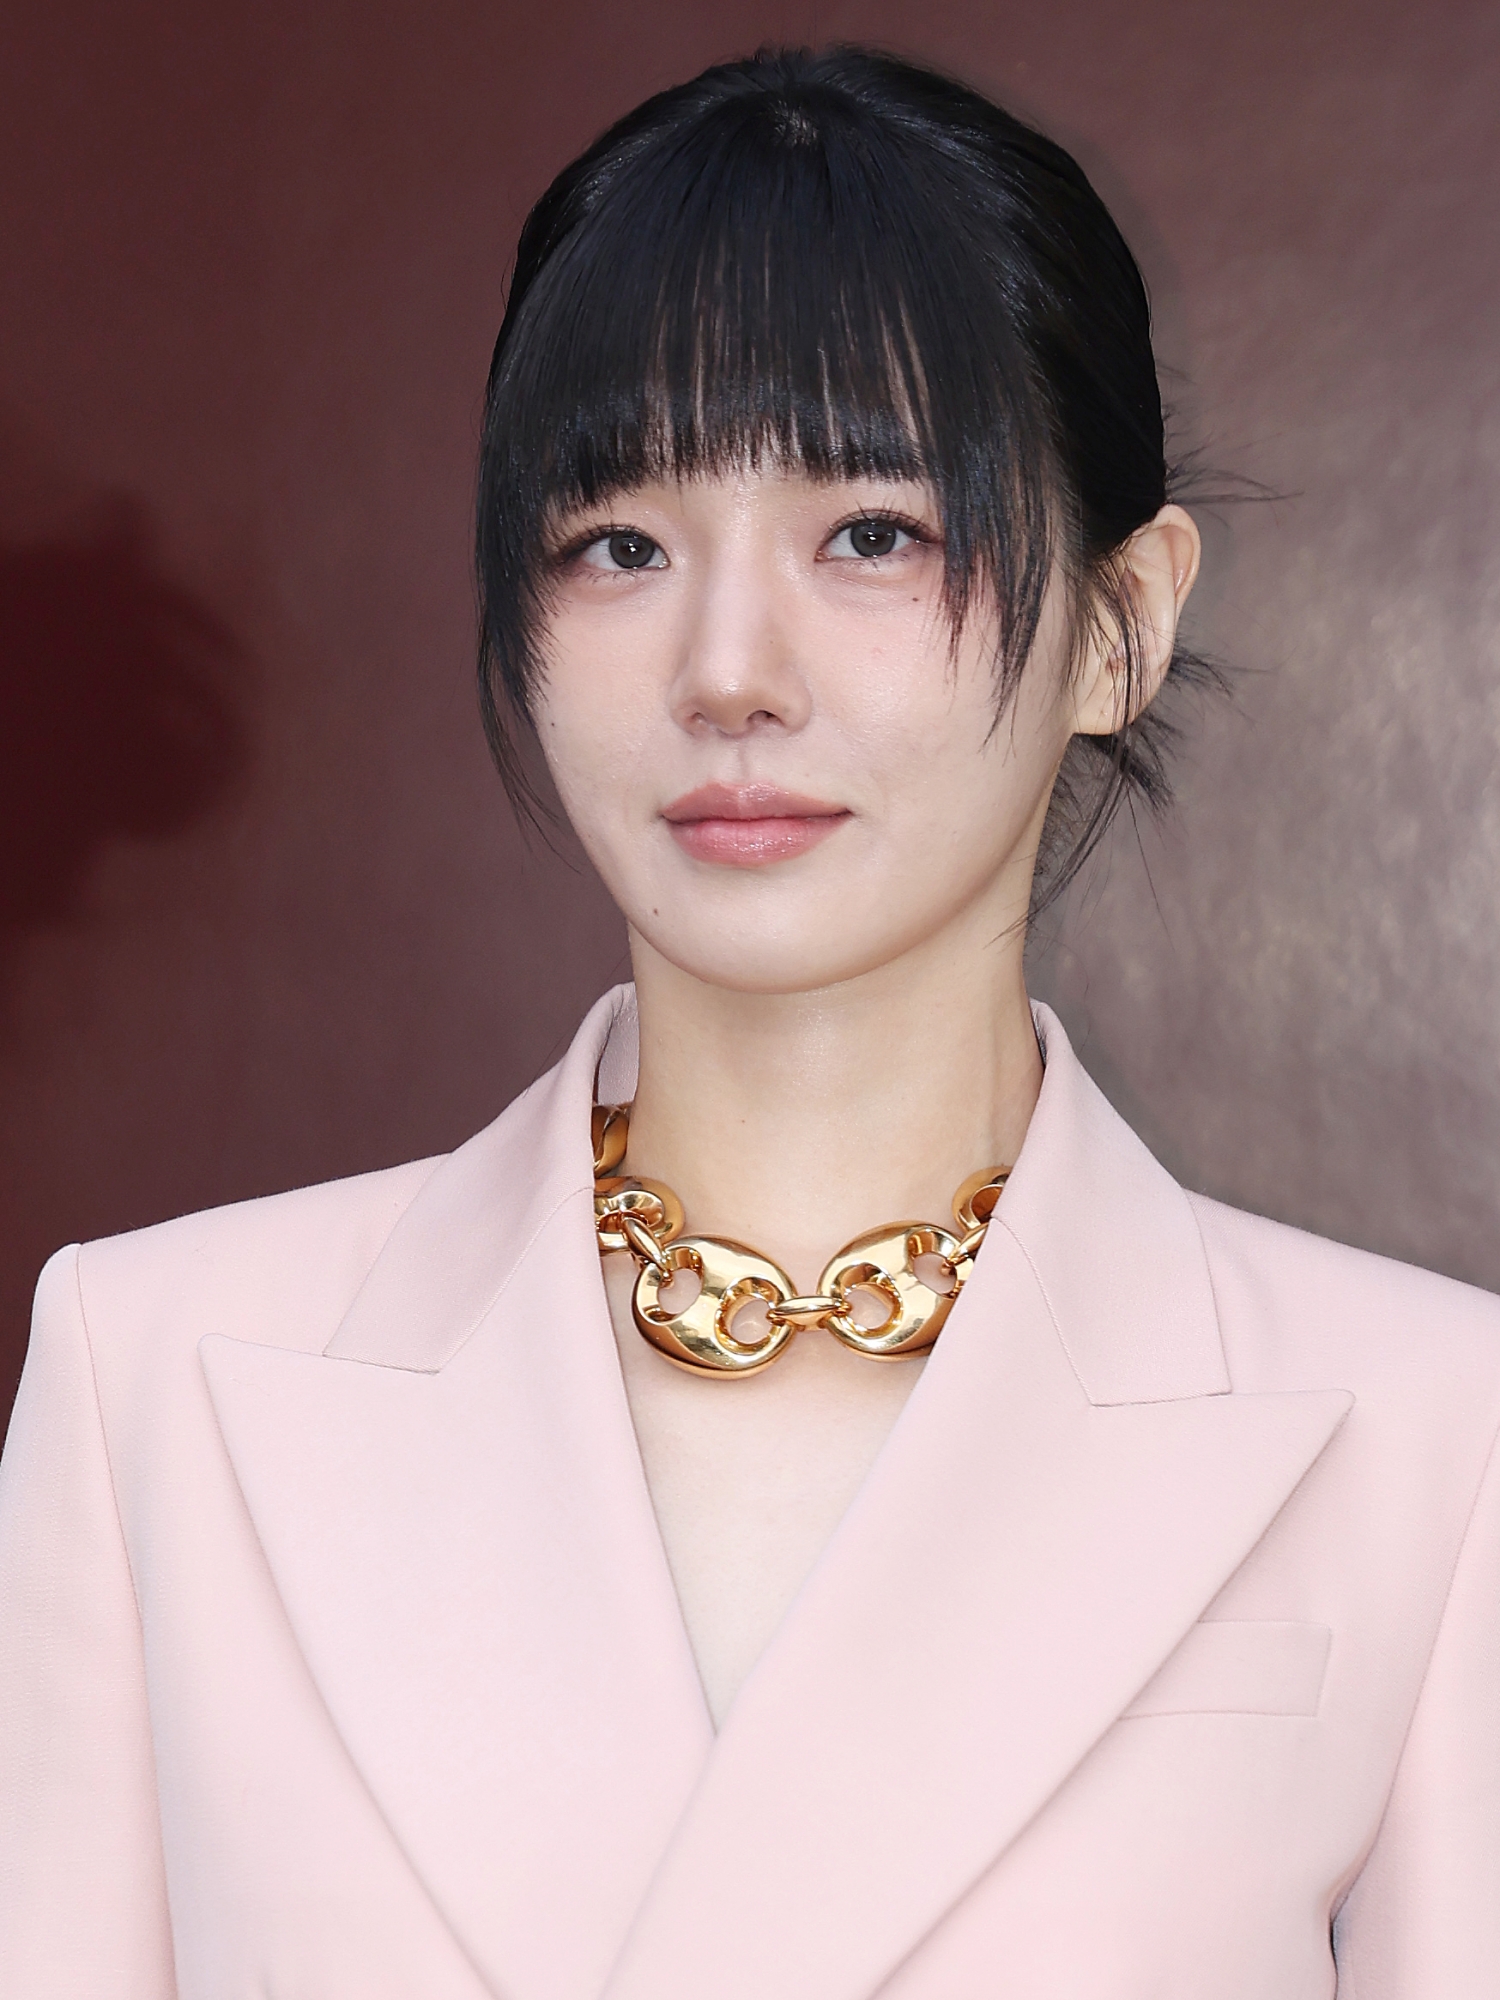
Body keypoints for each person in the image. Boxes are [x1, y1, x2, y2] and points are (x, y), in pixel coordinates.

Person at [1, 44, 1496, 2000]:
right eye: (619, 544)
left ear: (1122, 625)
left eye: (873, 531)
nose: (725, 672)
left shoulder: (1432, 1433)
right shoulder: (155, 1376)